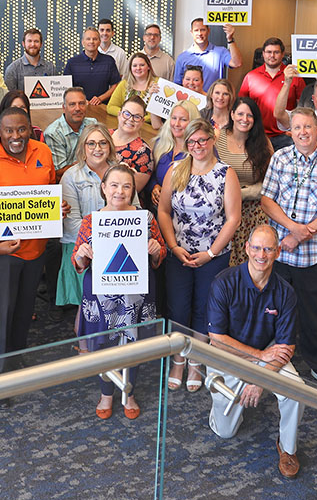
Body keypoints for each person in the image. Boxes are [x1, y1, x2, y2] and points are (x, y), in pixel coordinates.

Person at [261, 107, 317, 394]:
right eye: (297, 128)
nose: (302, 132)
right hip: (280, 253)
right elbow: (267, 201)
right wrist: (292, 228)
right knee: (273, 310)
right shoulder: (280, 158)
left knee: (314, 315)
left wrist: (302, 234)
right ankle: (271, 361)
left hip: (314, 257)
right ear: (290, 131)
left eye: (307, 127)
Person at [205, 225, 302, 479]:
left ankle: (288, 448)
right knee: (225, 432)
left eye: (269, 249)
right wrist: (258, 358)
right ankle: (219, 409)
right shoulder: (223, 283)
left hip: (269, 354)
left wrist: (259, 378)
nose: (262, 254)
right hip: (228, 355)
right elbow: (216, 339)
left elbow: (286, 347)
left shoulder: (285, 292)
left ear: (278, 252)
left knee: (296, 390)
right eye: (257, 248)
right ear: (247, 249)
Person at [0, 107, 57, 380]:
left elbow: (48, 190)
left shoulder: (43, 152)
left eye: (21, 129)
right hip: (0, 252)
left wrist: (57, 207)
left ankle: (14, 361)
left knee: (24, 311)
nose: (15, 136)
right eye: (9, 130)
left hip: (36, 250)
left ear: (30, 128)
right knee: (0, 315)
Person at [72, 164, 165, 419]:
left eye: (126, 186)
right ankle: (106, 393)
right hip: (101, 297)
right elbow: (79, 264)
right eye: (114, 185)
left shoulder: (144, 218)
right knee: (103, 345)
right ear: (103, 188)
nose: (119, 191)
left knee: (134, 346)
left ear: (133, 190)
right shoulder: (92, 221)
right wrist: (81, 255)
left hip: (136, 295)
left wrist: (156, 251)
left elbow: (159, 259)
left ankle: (129, 391)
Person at [157, 119, 241, 391]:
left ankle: (195, 360)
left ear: (212, 140)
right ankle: (179, 358)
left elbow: (233, 219)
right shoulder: (175, 169)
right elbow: (164, 211)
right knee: (178, 306)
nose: (197, 146)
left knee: (205, 307)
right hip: (179, 252)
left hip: (213, 255)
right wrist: (172, 246)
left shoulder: (226, 173)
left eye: (202, 140)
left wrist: (211, 252)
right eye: (191, 142)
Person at [57, 124, 117, 311]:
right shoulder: (70, 177)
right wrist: (109, 233)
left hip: (117, 248)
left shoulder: (121, 172)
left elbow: (135, 210)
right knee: (87, 313)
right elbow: (73, 225)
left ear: (110, 147)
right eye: (91, 144)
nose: (97, 149)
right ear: (83, 148)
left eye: (102, 143)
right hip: (81, 249)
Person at [217, 96, 272, 267]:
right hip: (222, 211)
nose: (244, 119)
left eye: (249, 116)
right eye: (240, 114)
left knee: (253, 263)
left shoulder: (263, 143)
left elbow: (272, 180)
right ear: (232, 114)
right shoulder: (217, 138)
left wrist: (244, 193)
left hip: (253, 212)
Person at [244, 37, 304, 149]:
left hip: (286, 136)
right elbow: (242, 107)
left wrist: (295, 129)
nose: (272, 56)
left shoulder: (294, 77)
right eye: (269, 52)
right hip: (257, 135)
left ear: (282, 54)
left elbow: (302, 108)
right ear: (263, 54)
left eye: (276, 52)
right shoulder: (251, 76)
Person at [150, 100, 200, 206]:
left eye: (183, 120)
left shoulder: (201, 150)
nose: (176, 124)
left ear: (193, 122)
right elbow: (151, 172)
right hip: (156, 208)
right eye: (174, 118)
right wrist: (154, 186)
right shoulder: (161, 143)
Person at [45, 86, 99, 178]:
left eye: (81, 103)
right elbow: (58, 172)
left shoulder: (93, 124)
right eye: (72, 104)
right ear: (64, 107)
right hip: (69, 181)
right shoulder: (53, 133)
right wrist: (89, 162)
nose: (78, 108)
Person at [174, 18, 242, 88]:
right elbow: (177, 85)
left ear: (208, 31)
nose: (199, 33)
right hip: (190, 98)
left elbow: (237, 63)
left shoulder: (221, 52)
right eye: (196, 30)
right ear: (191, 32)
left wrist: (230, 39)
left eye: (203, 30)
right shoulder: (182, 58)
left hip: (214, 98)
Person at [64, 27, 122, 105]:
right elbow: (67, 88)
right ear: (82, 42)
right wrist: (82, 100)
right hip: (78, 107)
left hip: (103, 107)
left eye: (95, 39)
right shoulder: (72, 63)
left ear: (99, 42)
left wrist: (100, 98)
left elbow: (115, 85)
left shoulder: (109, 61)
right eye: (88, 39)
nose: (91, 42)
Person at [111, 96, 154, 191]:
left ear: (142, 121)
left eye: (137, 117)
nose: (131, 119)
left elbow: (131, 192)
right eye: (126, 114)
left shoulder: (144, 152)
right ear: (119, 114)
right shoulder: (104, 135)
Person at [106, 52, 160, 121]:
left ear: (148, 66)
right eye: (134, 65)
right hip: (126, 125)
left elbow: (156, 115)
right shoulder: (124, 84)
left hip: (148, 128)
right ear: (130, 68)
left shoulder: (158, 85)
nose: (138, 68)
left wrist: (136, 119)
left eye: (142, 65)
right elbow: (110, 107)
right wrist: (128, 115)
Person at [3, 27, 58, 92]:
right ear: (23, 44)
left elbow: (55, 94)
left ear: (41, 44)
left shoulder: (50, 68)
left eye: (36, 41)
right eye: (29, 41)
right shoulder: (12, 69)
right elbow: (10, 97)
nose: (33, 44)